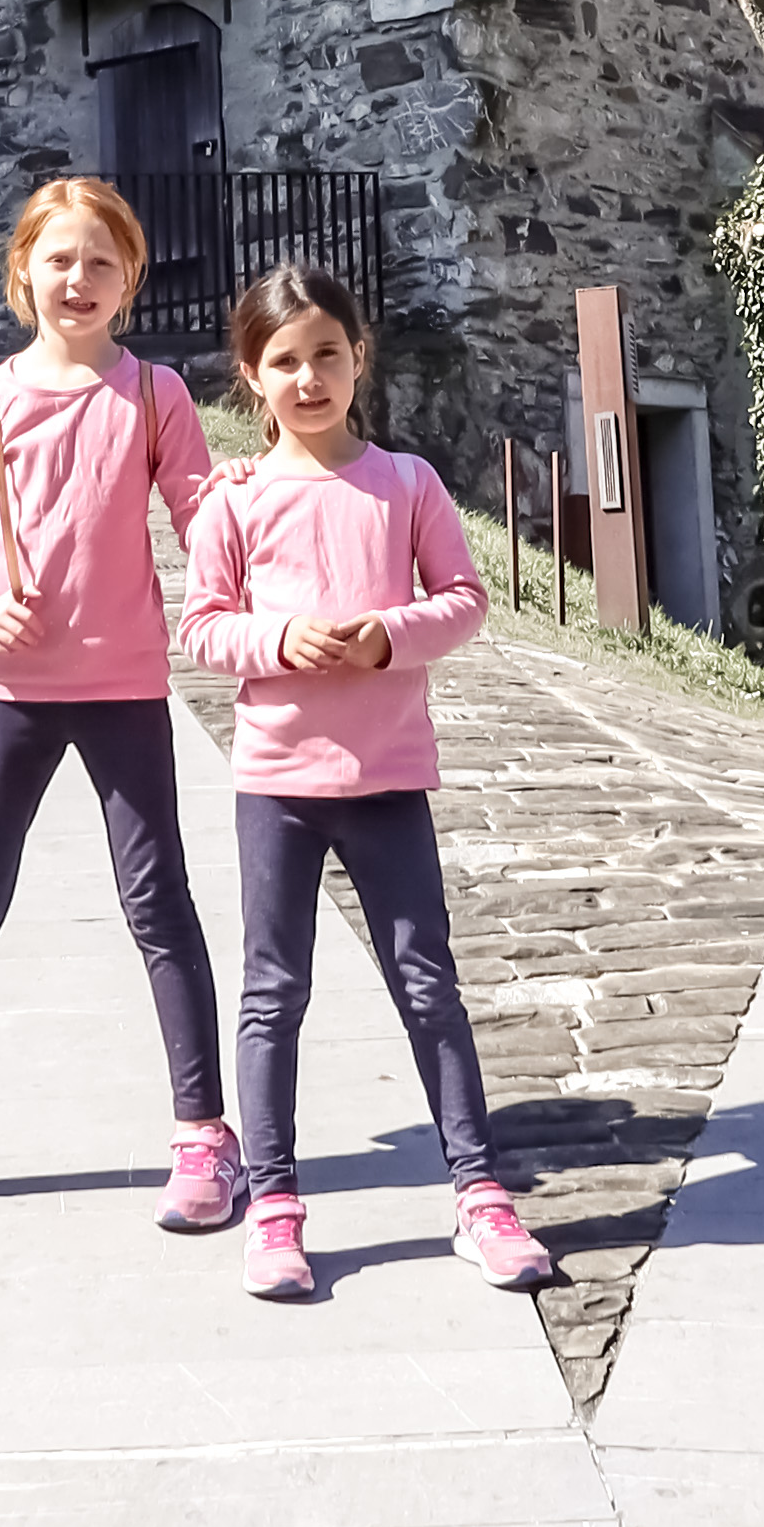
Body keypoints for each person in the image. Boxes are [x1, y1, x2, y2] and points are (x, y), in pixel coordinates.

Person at [0, 175, 242, 1233]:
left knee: (159, 905)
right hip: (14, 691)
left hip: (124, 686)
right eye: (59, 259)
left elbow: (204, 518)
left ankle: (204, 1136)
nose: (79, 278)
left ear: (130, 280)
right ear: (23, 272)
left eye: (101, 261)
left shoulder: (156, 398)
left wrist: (268, 555)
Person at [175, 260, 557, 1302]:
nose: (309, 379)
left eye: (327, 357)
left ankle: (479, 1195)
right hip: (279, 783)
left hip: (389, 778)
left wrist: (388, 635)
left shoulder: (408, 484)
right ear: (251, 376)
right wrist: (280, 638)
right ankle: (278, 1205)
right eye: (284, 362)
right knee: (273, 993)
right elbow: (202, 627)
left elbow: (466, 599)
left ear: (359, 358)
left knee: (427, 984)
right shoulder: (235, 503)